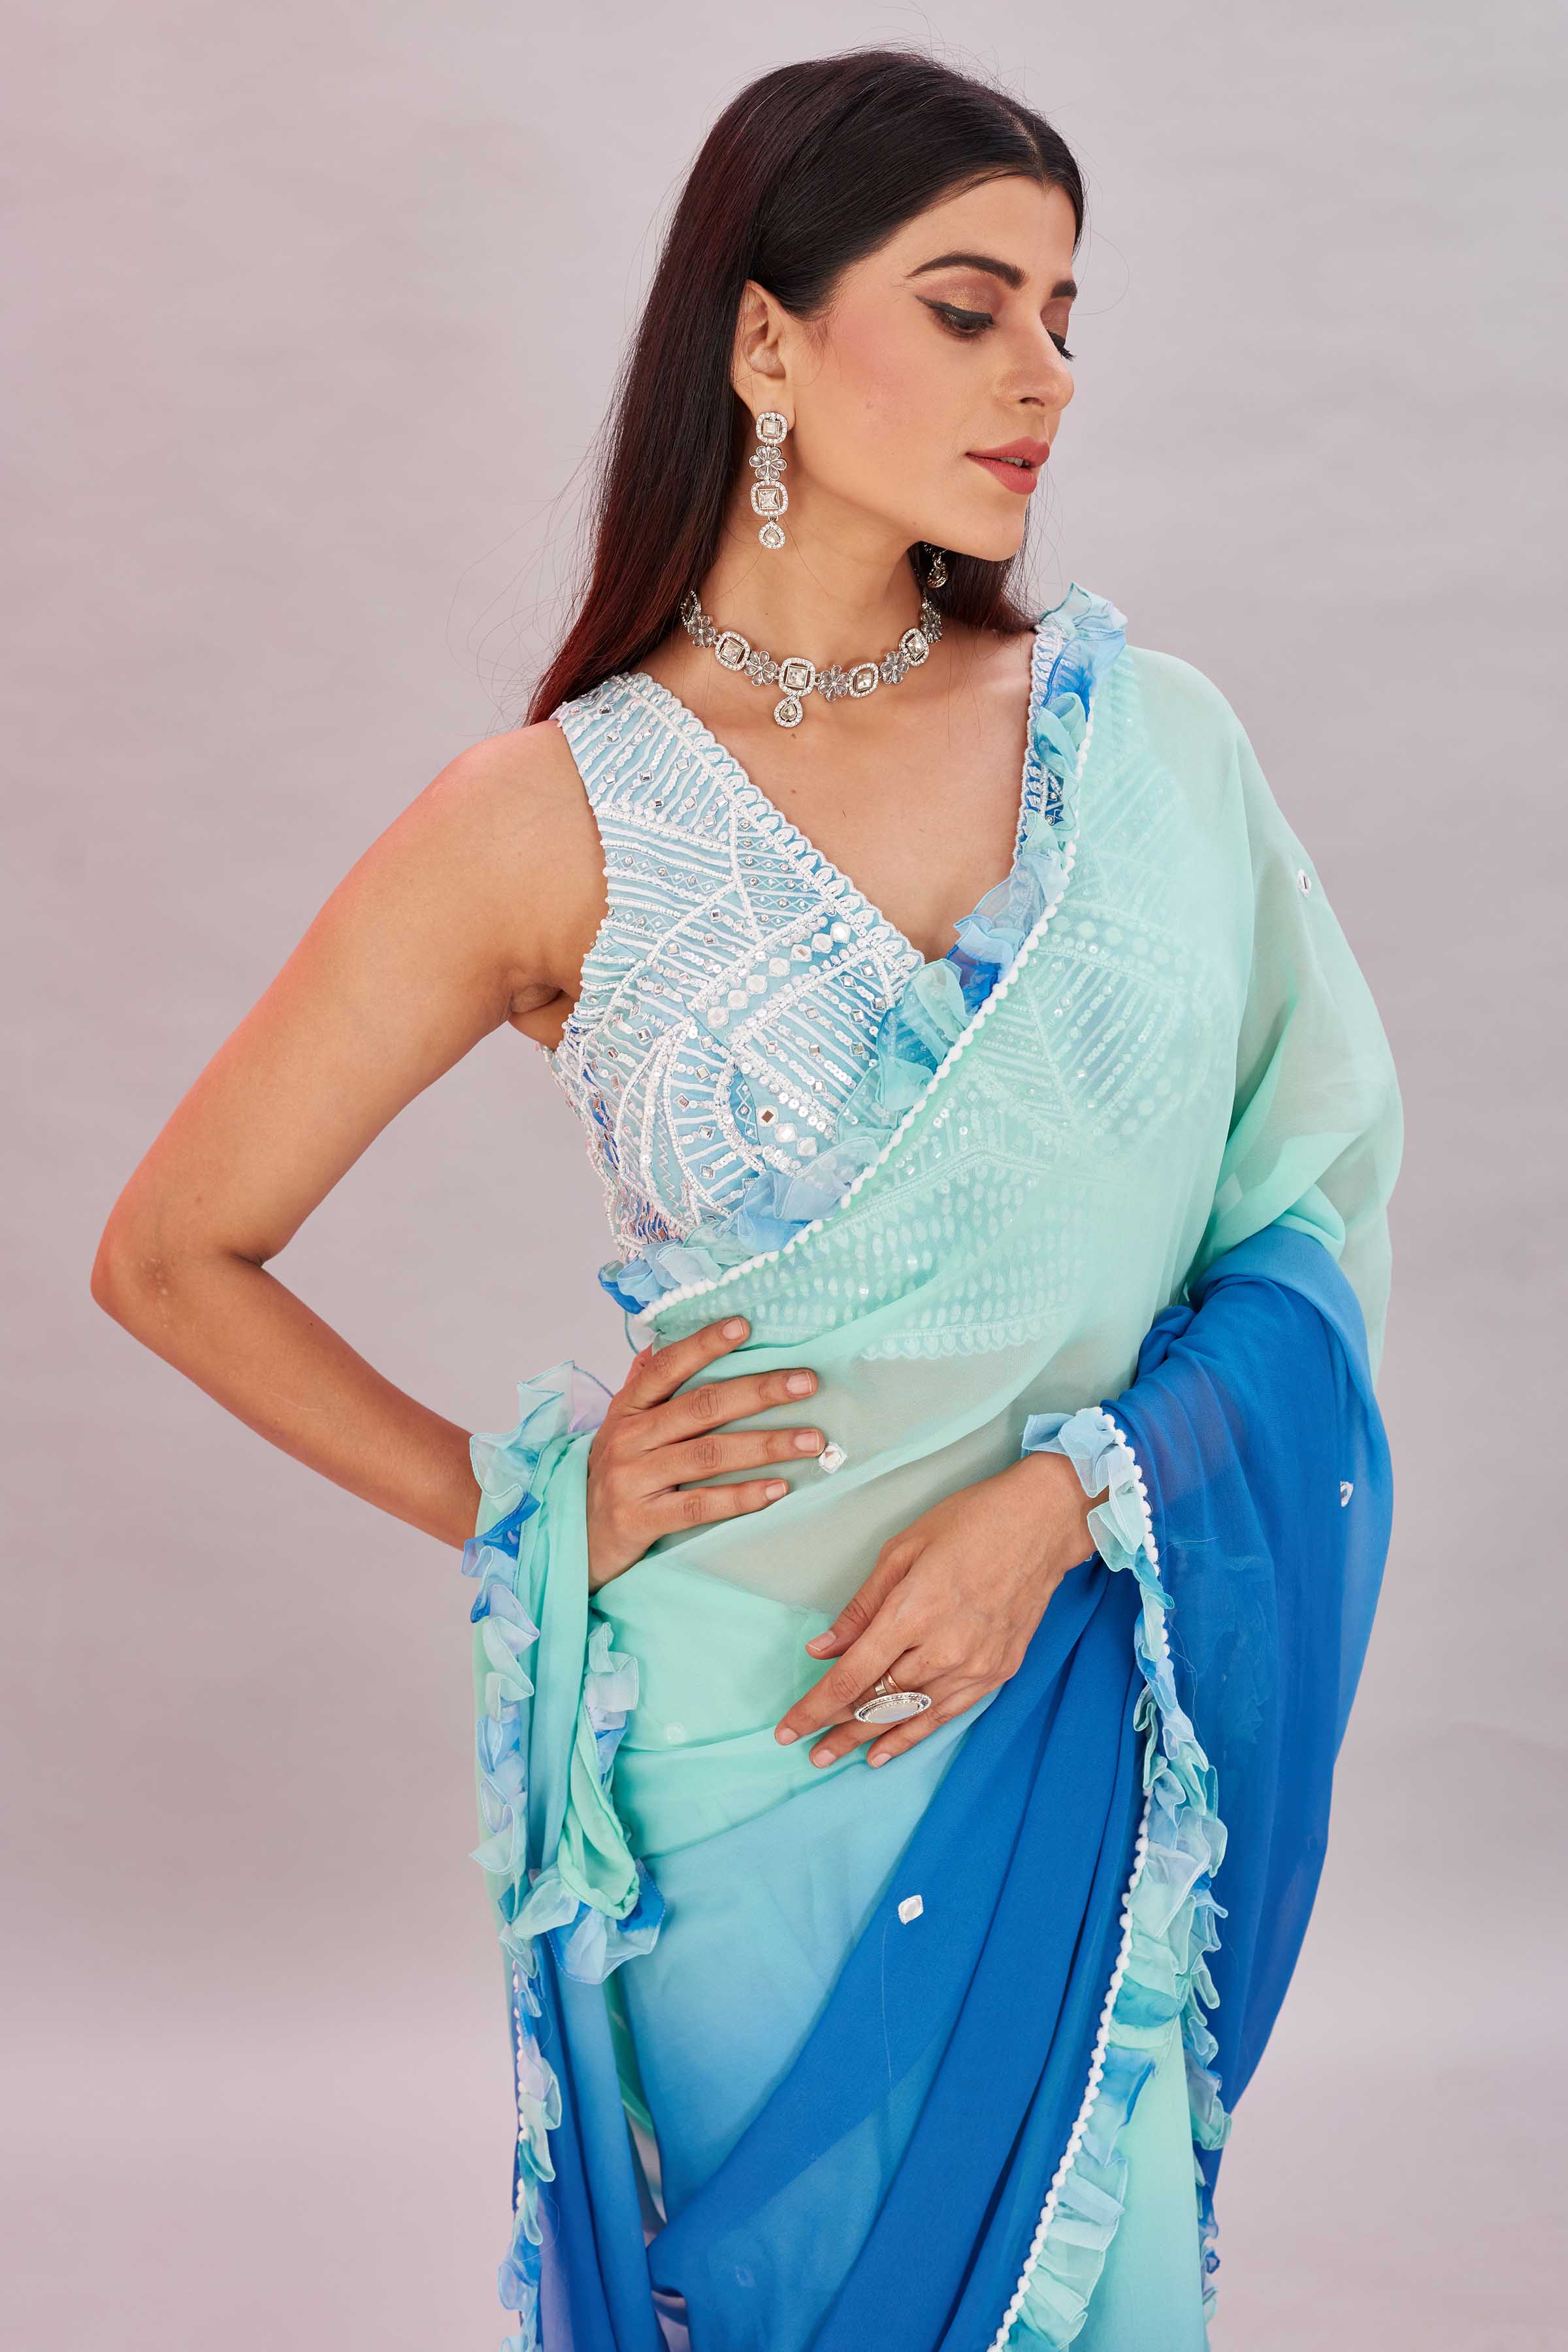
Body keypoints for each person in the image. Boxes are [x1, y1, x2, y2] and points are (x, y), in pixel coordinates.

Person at [91, 48, 1403, 2352]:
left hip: (1062, 1703)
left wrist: (1063, 1509)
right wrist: (526, 1507)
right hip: (738, 1753)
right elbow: (171, 1252)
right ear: (766, 341)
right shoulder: (546, 816)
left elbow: (1300, 1219)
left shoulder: (1151, 750)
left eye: (1067, 317)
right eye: (971, 308)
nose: (1045, 376)